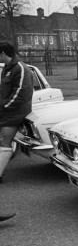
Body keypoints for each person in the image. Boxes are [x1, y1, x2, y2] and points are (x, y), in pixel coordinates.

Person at [0, 41, 33, 186]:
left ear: (2, 53)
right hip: (6, 111)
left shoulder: (20, 68)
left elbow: (21, 94)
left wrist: (4, 107)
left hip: (15, 113)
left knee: (4, 141)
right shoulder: (7, 68)